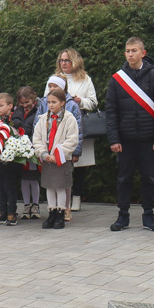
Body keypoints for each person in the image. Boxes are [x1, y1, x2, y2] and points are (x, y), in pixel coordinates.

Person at [106, 37, 154, 232]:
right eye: (127, 51)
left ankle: (149, 215)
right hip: (125, 140)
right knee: (124, 178)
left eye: (134, 50)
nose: (130, 54)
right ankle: (122, 216)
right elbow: (111, 111)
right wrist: (114, 139)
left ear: (143, 53)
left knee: (149, 178)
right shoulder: (117, 79)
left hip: (149, 139)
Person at [51, 48, 98, 212]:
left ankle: (76, 197)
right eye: (61, 60)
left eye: (66, 60)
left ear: (74, 61)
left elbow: (94, 103)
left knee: (79, 163)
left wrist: (80, 101)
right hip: (58, 125)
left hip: (79, 123)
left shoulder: (85, 79)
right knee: (61, 160)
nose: (63, 63)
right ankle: (62, 198)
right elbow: (46, 101)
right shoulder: (55, 79)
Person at [37, 74, 84, 221]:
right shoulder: (43, 119)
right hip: (47, 158)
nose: (50, 105)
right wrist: (43, 153)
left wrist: (59, 153)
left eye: (54, 102)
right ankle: (51, 212)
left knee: (61, 186)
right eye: (49, 102)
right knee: (50, 187)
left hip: (62, 159)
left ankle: (61, 212)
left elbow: (72, 139)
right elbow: (37, 138)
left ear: (62, 102)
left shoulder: (69, 118)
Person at [0, 93, 22, 225]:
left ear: (10, 106)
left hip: (11, 161)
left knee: (10, 187)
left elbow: (19, 135)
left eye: (1, 105)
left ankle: (11, 213)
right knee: (0, 187)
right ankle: (1, 212)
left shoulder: (15, 120)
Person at [12, 86, 43, 219]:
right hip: (21, 149)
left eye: (27, 102)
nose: (25, 105)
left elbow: (36, 127)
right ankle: (26, 205)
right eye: (22, 103)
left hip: (33, 147)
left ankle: (35, 205)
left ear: (33, 99)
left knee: (34, 178)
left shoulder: (39, 110)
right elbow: (15, 122)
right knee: (24, 178)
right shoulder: (17, 111)